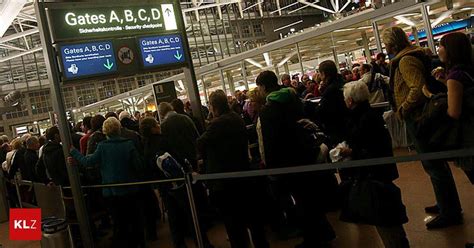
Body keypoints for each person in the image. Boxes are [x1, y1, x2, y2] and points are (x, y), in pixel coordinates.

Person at [382, 26, 462, 229]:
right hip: (422, 116)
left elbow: (417, 89)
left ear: (392, 43)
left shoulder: (406, 60)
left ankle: (449, 211)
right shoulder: (412, 55)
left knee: (433, 165)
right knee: (435, 165)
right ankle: (446, 203)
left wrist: (403, 109)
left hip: (418, 117)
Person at [256, 71, 336, 248]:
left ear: (262, 87)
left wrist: (272, 168)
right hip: (305, 153)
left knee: (300, 201)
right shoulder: (292, 99)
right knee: (309, 196)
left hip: (287, 161)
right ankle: (325, 232)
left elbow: (271, 142)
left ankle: (312, 240)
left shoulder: (268, 110)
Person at [339, 81, 410, 248]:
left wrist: (350, 152)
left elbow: (369, 149)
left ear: (350, 100)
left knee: (383, 215)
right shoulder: (370, 115)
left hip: (373, 174)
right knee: (385, 215)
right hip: (380, 172)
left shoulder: (362, 119)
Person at [197, 90, 269, 248]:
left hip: (225, 180)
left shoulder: (217, 123)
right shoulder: (236, 118)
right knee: (252, 220)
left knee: (234, 224)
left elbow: (200, 142)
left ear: (214, 107)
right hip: (242, 172)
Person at [69, 117, 145, 248]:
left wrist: (74, 153)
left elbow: (88, 162)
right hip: (130, 188)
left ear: (105, 131)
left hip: (111, 190)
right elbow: (139, 166)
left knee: (118, 220)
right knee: (134, 218)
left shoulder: (102, 147)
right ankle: (139, 243)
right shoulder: (128, 144)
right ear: (119, 129)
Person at [313, 60, 349, 147]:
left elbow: (321, 111)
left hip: (336, 129)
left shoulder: (331, 90)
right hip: (347, 125)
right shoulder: (343, 83)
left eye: (320, 73)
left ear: (324, 74)